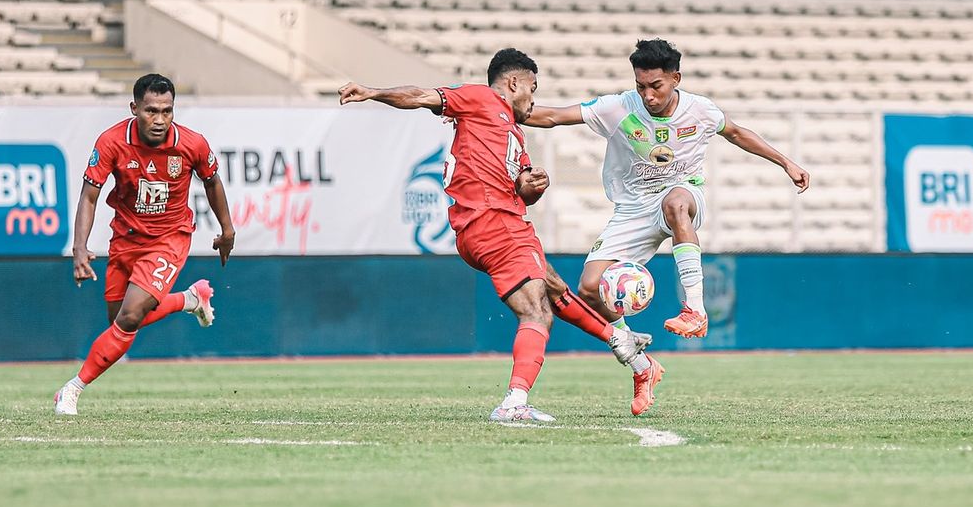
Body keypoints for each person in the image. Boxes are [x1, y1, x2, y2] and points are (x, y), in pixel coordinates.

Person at [338, 48, 656, 422]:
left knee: (555, 290)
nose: (533, 99)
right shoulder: (481, 98)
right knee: (537, 310)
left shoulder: (514, 135)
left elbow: (523, 188)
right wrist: (373, 93)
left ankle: (628, 350)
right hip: (494, 221)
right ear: (514, 82)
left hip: (493, 223)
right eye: (532, 88)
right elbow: (422, 96)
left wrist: (534, 184)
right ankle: (515, 402)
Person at [526, 39, 810, 338]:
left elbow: (737, 133)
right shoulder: (618, 107)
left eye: (656, 86)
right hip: (633, 208)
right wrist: (499, 110)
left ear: (676, 78)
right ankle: (629, 343)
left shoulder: (699, 109)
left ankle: (695, 311)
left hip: (683, 193)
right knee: (590, 288)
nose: (648, 95)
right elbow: (554, 116)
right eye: (640, 86)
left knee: (675, 203)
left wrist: (786, 163)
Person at [53, 74, 236, 415]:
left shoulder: (191, 144)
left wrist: (227, 230)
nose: (160, 119)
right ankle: (190, 299)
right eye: (152, 111)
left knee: (131, 317)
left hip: (170, 238)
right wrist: (79, 247)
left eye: (167, 111)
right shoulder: (112, 142)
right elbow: (89, 196)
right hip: (125, 237)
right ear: (134, 108)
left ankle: (71, 389)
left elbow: (212, 182)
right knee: (118, 322)